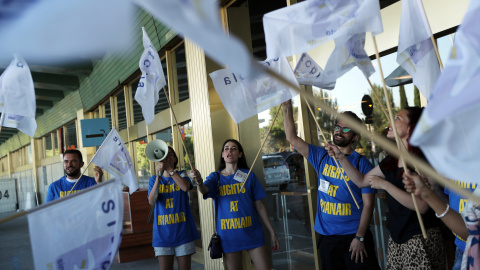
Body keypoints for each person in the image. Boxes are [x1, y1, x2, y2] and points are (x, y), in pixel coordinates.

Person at [329, 107, 446, 269]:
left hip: (420, 237)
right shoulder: (392, 159)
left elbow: (423, 206)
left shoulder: (423, 160)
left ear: (411, 128)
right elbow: (362, 181)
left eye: (397, 118)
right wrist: (340, 157)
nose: (390, 121)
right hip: (397, 238)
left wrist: (385, 185)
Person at [283, 100, 379, 270]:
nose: (339, 131)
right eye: (337, 127)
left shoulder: (362, 164)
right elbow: (292, 137)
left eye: (346, 129)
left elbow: (369, 204)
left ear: (355, 136)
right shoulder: (321, 155)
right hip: (328, 238)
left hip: (354, 237)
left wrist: (360, 237)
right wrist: (288, 108)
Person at [191, 139, 280, 270]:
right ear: (222, 154)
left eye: (234, 148)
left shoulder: (248, 175)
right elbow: (204, 190)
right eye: (226, 148)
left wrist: (272, 232)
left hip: (253, 233)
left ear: (240, 154)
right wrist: (198, 181)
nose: (229, 151)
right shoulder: (216, 177)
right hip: (228, 237)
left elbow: (260, 205)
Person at [403, 171, 471, 270]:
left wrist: (427, 193)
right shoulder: (454, 168)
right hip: (461, 248)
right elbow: (450, 206)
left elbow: (471, 233)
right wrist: (433, 190)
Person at [147, 147, 199, 270]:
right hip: (162, 235)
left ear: (175, 158)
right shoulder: (154, 179)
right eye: (162, 155)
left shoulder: (182, 174)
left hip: (183, 233)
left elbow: (185, 187)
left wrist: (170, 170)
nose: (165, 157)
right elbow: (151, 201)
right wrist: (158, 178)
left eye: (169, 154)